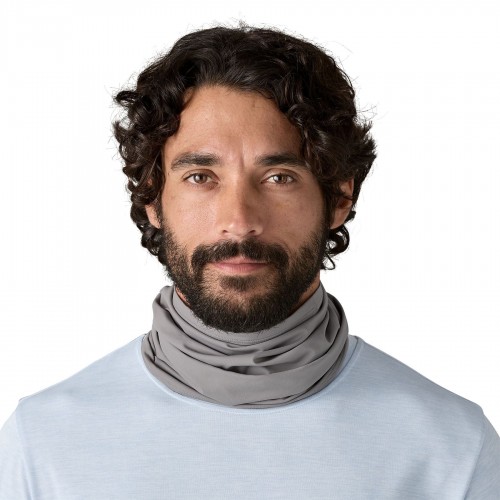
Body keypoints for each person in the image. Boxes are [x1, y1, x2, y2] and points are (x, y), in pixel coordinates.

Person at [1, 24, 499, 499]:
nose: (239, 222)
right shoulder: (40, 442)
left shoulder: (453, 447)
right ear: (152, 198)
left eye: (279, 177)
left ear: (339, 197)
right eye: (201, 177)